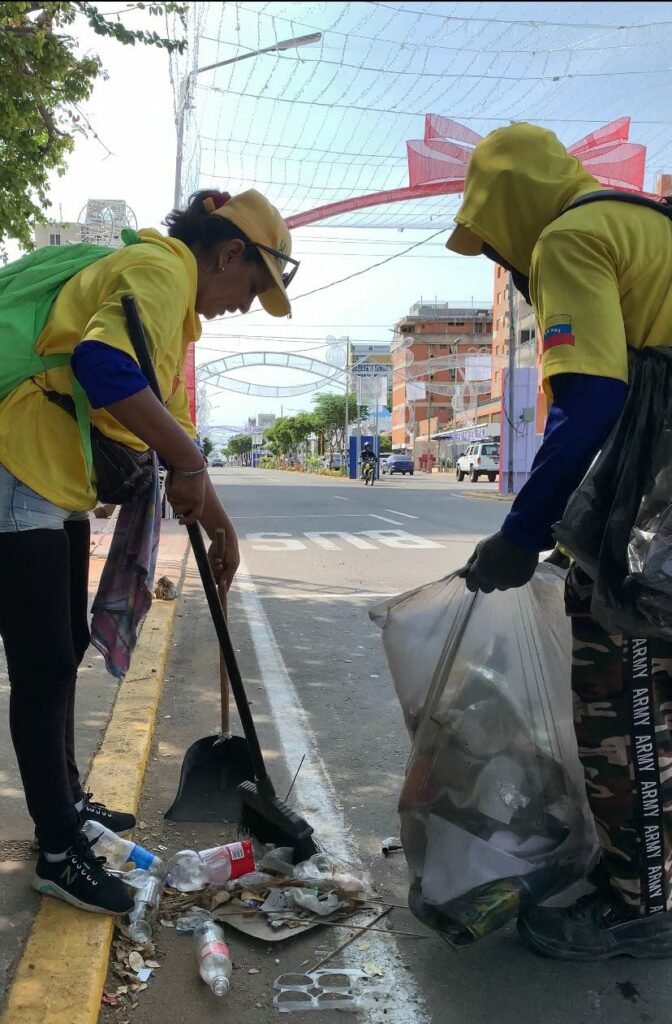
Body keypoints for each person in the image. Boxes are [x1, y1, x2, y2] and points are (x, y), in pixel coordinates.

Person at [0, 187, 298, 915]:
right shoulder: (161, 271)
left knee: (66, 644)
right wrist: (187, 462)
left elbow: (176, 432)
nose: (243, 306)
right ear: (229, 254)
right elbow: (103, 367)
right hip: (16, 459)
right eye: (251, 287)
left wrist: (221, 526)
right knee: (42, 664)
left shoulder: (176, 319)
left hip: (55, 471)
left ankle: (68, 801)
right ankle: (59, 852)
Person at [447, 122, 672, 959]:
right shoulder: (646, 225)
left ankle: (640, 905)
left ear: (508, 207)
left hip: (649, 535)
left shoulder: (570, 238)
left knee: (627, 705)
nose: (501, 259)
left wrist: (521, 533)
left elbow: (591, 402)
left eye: (490, 239)